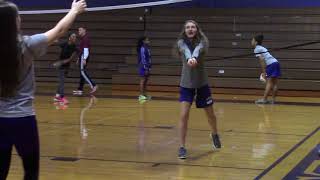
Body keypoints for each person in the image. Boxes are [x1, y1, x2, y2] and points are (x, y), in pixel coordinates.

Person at [0, 1, 87, 179]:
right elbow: (59, 30)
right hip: (23, 119)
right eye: (17, 16)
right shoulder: (27, 45)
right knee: (31, 172)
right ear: (14, 22)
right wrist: (74, 11)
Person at [176, 20, 221, 159]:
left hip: (202, 83)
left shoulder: (203, 42)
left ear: (197, 29)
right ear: (184, 30)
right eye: (188, 27)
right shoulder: (180, 43)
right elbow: (185, 50)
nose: (190, 29)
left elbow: (198, 49)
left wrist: (194, 57)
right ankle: (182, 147)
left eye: (193, 27)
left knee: (210, 115)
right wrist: (190, 59)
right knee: (183, 115)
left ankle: (214, 133)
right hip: (186, 84)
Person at [252, 34, 281, 104]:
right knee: (274, 83)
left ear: (256, 42)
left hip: (271, 64)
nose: (251, 42)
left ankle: (264, 99)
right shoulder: (262, 47)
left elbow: (262, 60)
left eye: (252, 40)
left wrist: (264, 72)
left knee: (269, 83)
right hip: (276, 63)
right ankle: (273, 100)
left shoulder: (256, 49)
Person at [53, 32, 78, 104]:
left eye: (75, 37)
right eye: (73, 36)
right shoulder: (64, 44)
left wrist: (60, 62)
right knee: (62, 82)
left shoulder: (74, 47)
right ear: (69, 38)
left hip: (66, 65)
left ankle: (57, 96)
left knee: (62, 81)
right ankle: (62, 98)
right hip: (61, 66)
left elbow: (70, 59)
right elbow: (56, 43)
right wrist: (53, 40)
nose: (75, 38)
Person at [73, 27, 98, 95]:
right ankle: (80, 89)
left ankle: (93, 85)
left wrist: (84, 59)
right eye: (78, 30)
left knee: (83, 72)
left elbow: (86, 50)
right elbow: (81, 50)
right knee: (82, 74)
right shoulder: (83, 38)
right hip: (82, 57)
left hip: (84, 57)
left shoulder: (85, 38)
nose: (79, 31)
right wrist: (79, 58)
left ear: (84, 30)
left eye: (80, 30)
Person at [137, 36, 152, 101]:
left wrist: (149, 67)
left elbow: (149, 59)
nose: (149, 41)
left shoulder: (147, 48)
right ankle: (141, 96)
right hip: (143, 67)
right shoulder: (142, 48)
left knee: (146, 81)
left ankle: (145, 95)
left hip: (147, 67)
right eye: (147, 40)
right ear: (144, 41)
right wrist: (145, 68)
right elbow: (143, 59)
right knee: (143, 80)